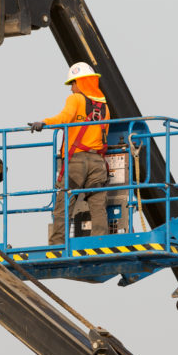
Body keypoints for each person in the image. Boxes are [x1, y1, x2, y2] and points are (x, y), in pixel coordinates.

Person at [29, 62, 110, 245]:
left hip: (77, 162)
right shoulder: (105, 107)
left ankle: (58, 244)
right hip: (98, 162)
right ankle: (101, 242)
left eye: (73, 83)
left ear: (80, 83)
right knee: (98, 207)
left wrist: (44, 123)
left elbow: (63, 118)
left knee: (63, 205)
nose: (72, 88)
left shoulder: (76, 99)